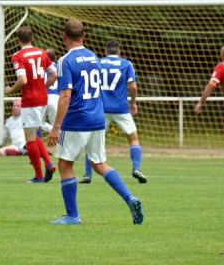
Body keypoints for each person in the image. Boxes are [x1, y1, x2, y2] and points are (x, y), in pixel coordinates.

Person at [47, 19, 144, 225]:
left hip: (76, 119)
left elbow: (65, 96)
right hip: (97, 117)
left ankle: (72, 216)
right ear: (84, 36)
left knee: (65, 164)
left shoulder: (65, 61)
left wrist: (56, 127)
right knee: (99, 163)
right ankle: (130, 198)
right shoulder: (93, 57)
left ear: (64, 37)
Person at [81, 40, 147, 184]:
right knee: (133, 138)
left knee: (92, 142)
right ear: (119, 51)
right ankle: (136, 169)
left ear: (105, 51)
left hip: (101, 108)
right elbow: (133, 87)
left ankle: (87, 174)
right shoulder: (126, 64)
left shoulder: (98, 62)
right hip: (121, 108)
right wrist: (133, 102)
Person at [5, 26, 57, 183]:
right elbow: (54, 74)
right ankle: (48, 163)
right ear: (32, 37)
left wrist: (10, 90)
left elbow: (23, 80)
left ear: (18, 40)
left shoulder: (18, 56)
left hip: (30, 100)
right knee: (33, 134)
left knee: (30, 139)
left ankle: (39, 176)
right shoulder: (42, 52)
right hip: (42, 98)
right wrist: (43, 87)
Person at [42, 48, 60, 134]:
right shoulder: (59, 67)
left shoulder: (41, 68)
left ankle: (57, 132)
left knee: (39, 123)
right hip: (56, 98)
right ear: (55, 57)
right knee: (56, 124)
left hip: (43, 97)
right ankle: (60, 136)